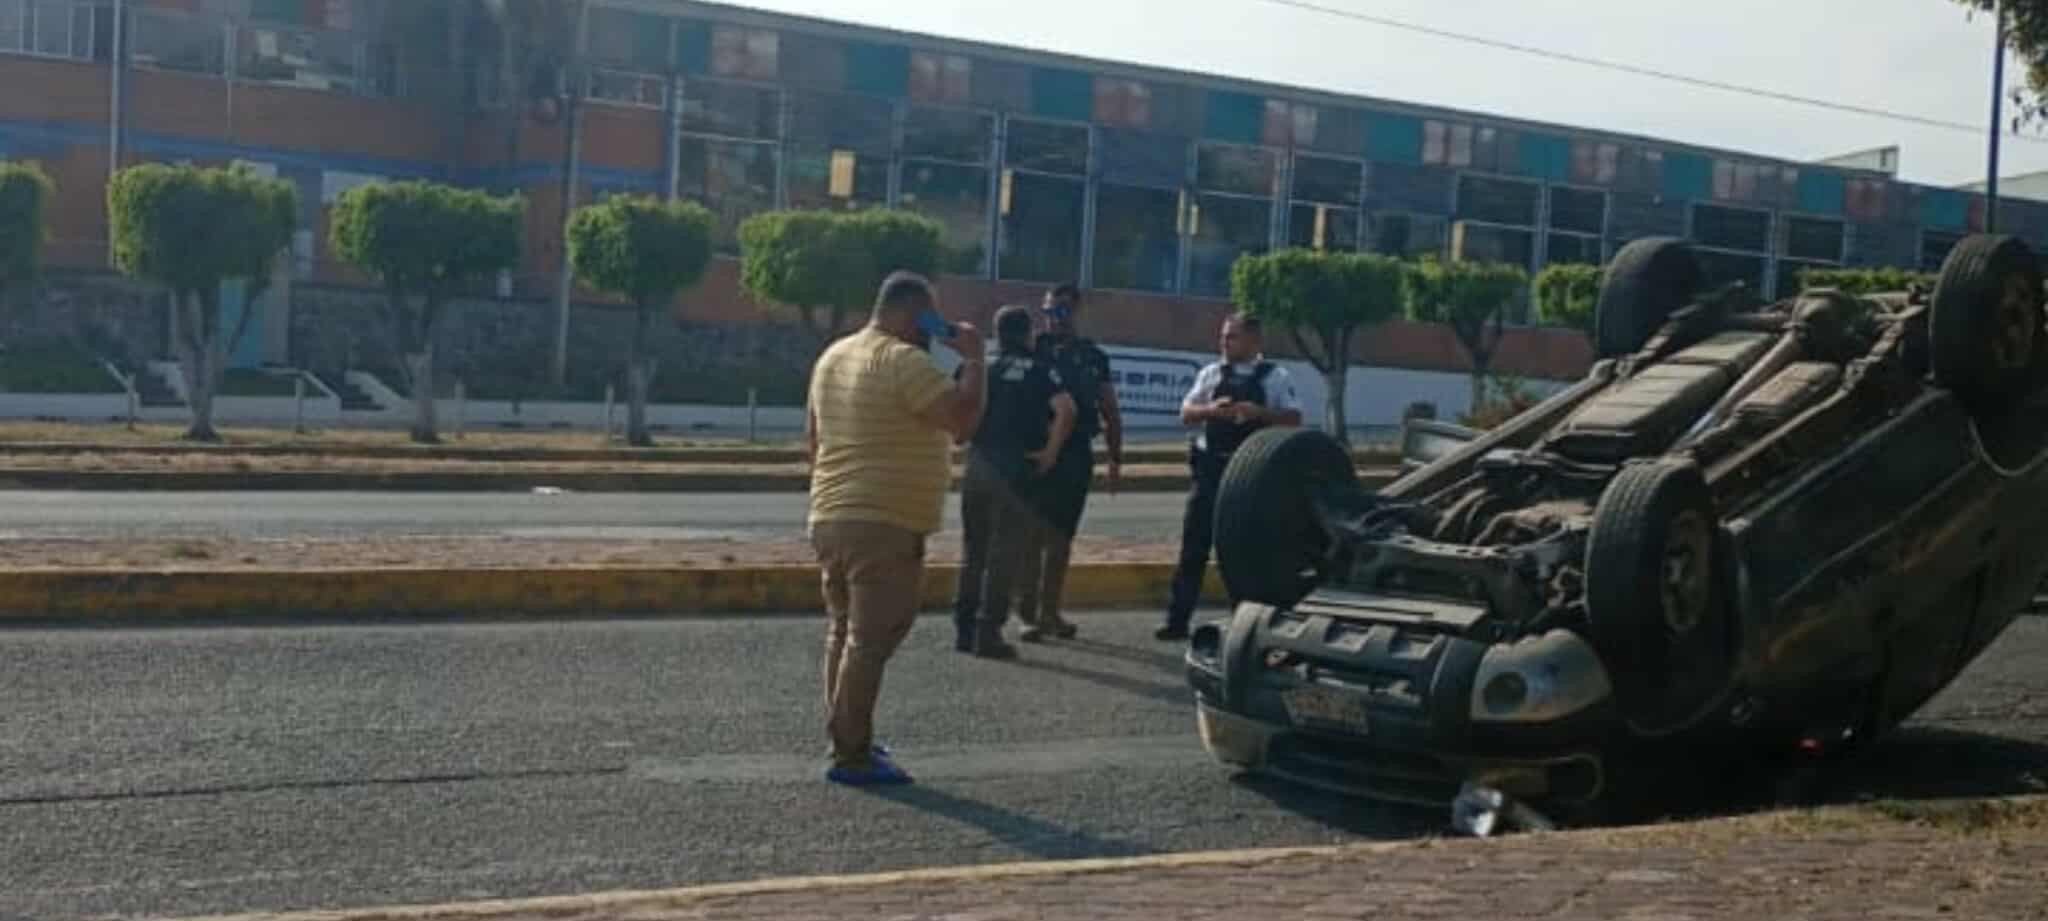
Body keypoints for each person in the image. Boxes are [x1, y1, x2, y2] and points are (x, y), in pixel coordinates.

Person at [804, 270, 986, 787]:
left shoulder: (833, 356)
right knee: (874, 635)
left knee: (844, 631)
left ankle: (847, 733)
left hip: (831, 515)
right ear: (914, 314)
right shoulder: (905, 361)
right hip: (884, 522)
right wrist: (973, 358)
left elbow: (813, 440)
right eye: (932, 316)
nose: (937, 328)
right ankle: (851, 754)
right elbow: (964, 419)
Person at [1157, 312, 1303, 641]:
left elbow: (1294, 419)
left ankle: (1248, 627)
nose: (1224, 342)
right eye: (1223, 336)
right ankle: (1177, 620)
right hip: (1210, 470)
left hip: (1251, 476)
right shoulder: (1211, 373)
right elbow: (1186, 413)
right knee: (1193, 548)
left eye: (1232, 337)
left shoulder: (1275, 376)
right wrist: (1213, 411)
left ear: (1254, 340)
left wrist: (1258, 413)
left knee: (1245, 552)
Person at [951, 304, 1077, 658]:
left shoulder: (978, 367)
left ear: (996, 331)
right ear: (1027, 334)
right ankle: (988, 632)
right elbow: (1067, 410)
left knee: (973, 550)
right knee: (1005, 553)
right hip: (1018, 469)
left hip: (980, 464)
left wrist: (962, 437)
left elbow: (957, 414)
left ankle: (963, 630)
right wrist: (1051, 452)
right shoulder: (1040, 370)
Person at [1024, 284, 1123, 639]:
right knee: (1031, 535)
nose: (1054, 319)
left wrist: (1115, 459)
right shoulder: (1033, 348)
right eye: (1049, 311)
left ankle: (1049, 612)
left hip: (1075, 454)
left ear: (1076, 312)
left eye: (1061, 311)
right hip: (1036, 449)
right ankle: (1029, 614)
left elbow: (1110, 410)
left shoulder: (1093, 356)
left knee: (1061, 538)